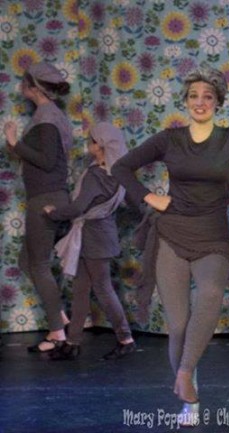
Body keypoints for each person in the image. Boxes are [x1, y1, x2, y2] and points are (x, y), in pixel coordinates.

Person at [111, 66, 229, 426]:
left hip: (212, 236)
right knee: (177, 326)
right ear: (185, 100)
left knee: (209, 295)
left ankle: (184, 373)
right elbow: (120, 167)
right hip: (171, 234)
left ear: (218, 101)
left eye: (208, 96)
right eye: (194, 96)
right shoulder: (169, 140)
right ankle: (189, 399)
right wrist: (148, 196)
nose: (200, 102)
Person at [43, 122, 135, 361]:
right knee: (81, 290)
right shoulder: (116, 173)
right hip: (99, 235)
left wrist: (53, 212)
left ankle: (125, 338)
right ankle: (72, 341)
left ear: (100, 145)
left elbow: (78, 207)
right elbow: (133, 203)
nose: (89, 145)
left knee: (102, 289)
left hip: (94, 237)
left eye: (91, 141)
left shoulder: (96, 174)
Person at [3, 62, 74, 352]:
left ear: (33, 86)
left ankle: (57, 333)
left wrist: (14, 143)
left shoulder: (46, 117)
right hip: (44, 196)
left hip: (45, 199)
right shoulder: (47, 116)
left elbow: (46, 160)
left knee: (39, 264)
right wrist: (17, 147)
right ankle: (58, 315)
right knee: (27, 262)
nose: (21, 87)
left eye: (24, 82)